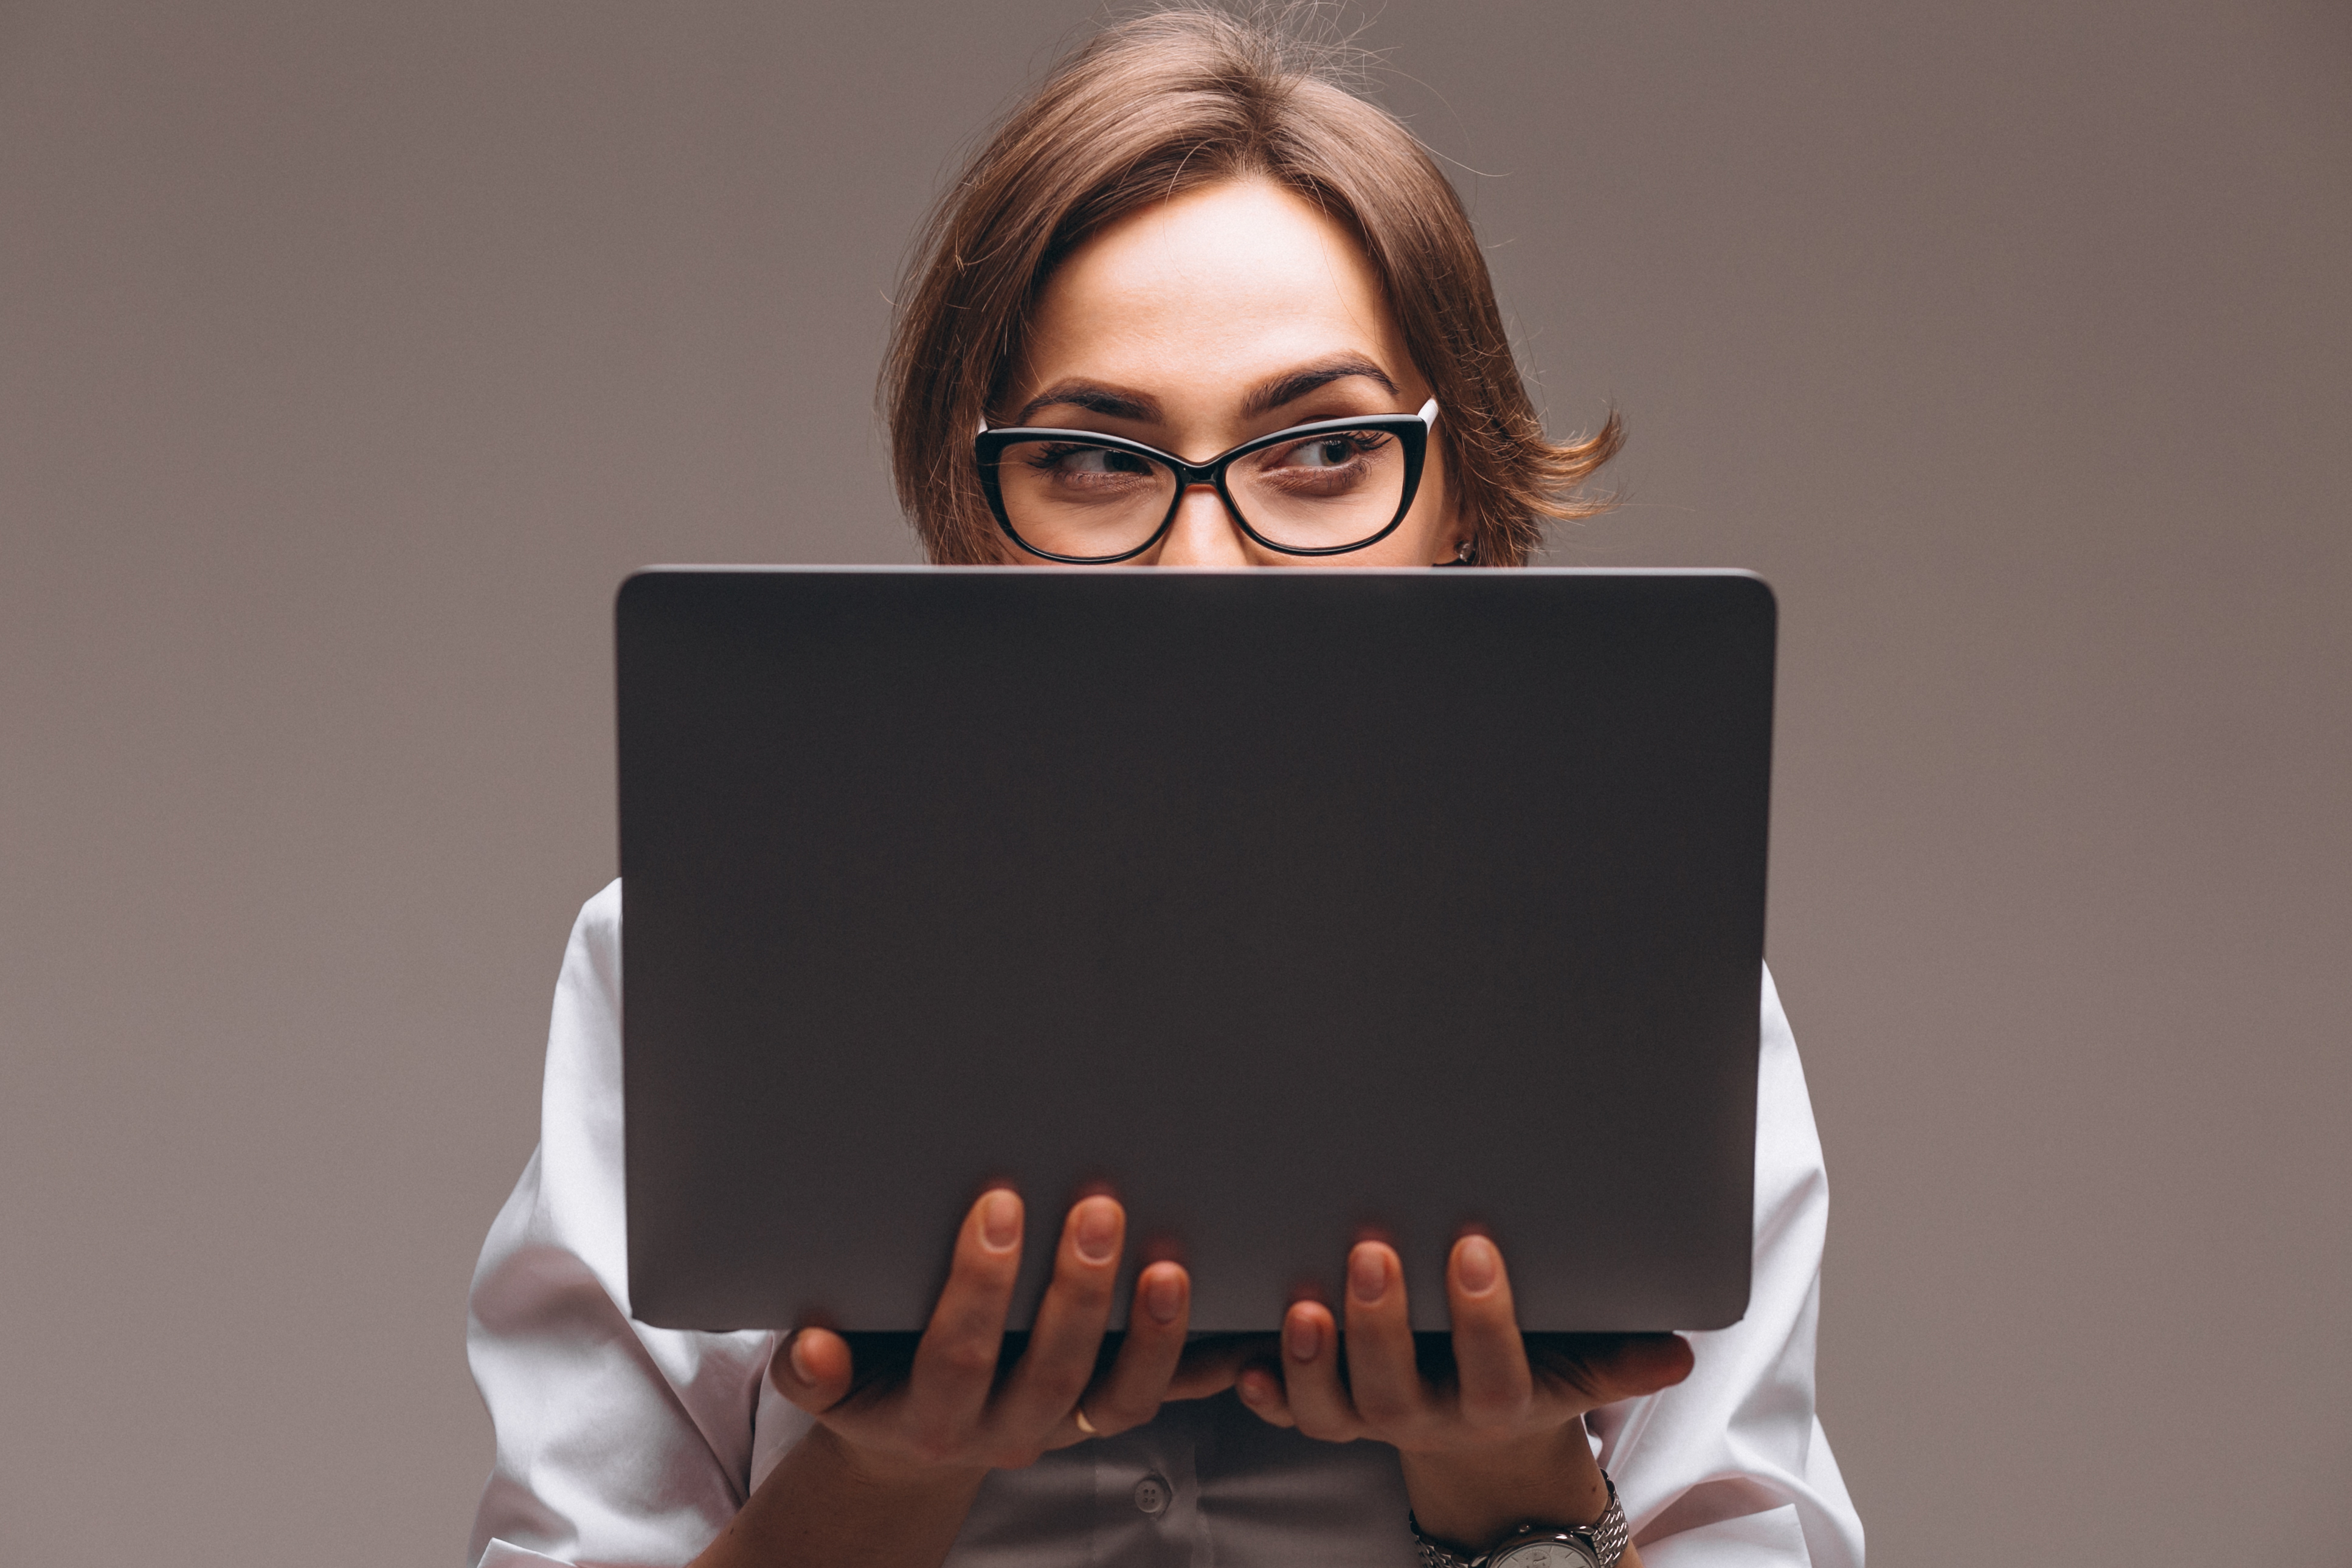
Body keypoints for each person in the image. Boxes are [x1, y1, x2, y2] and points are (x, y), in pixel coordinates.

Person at [466, 10, 1866, 1567]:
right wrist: (884, 1478)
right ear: (974, 516)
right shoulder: (686, 973)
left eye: (1322, 453)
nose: (1204, 563)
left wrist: (1513, 1477)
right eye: (1092, 463)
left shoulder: (1652, 998)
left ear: (1459, 495)